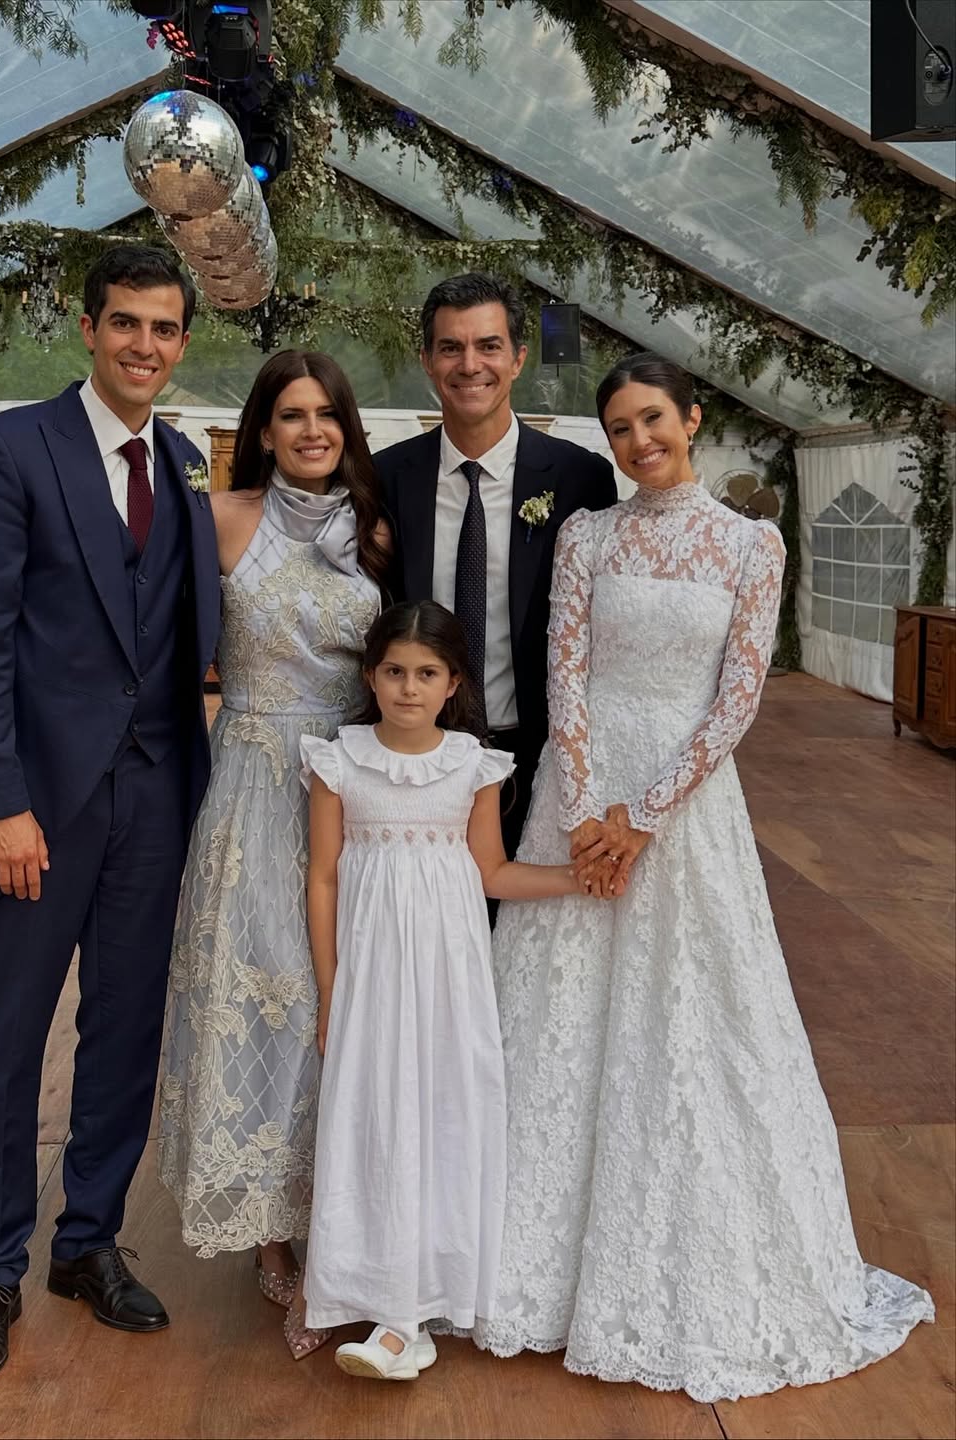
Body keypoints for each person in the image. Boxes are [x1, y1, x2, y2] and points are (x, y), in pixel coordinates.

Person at [468, 352, 934, 1397]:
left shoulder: (750, 544)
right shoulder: (588, 535)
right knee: (555, 1016)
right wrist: (587, 811)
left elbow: (736, 700)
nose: (639, 442)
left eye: (652, 420)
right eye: (619, 429)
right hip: (579, 797)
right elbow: (566, 671)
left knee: (695, 1023)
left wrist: (644, 819)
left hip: (684, 807)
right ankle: (520, 1261)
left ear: (693, 417)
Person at [0, 246, 220, 1384]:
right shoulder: (6, 448)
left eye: (164, 328)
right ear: (87, 329)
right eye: (126, 324)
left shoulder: (189, 465)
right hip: (35, 811)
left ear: (182, 340)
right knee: (8, 1042)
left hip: (158, 798)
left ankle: (86, 1242)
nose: (145, 345)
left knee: (125, 1033)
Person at [158, 350, 388, 1359]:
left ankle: (349, 1215)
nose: (310, 431)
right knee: (271, 993)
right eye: (290, 415)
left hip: (353, 785)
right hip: (252, 780)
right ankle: (273, 1231)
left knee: (352, 1003)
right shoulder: (220, 519)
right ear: (261, 428)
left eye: (326, 414)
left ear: (346, 425)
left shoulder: (378, 530)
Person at [299, 601, 583, 1380]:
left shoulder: (471, 765)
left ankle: (422, 1307)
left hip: (450, 981)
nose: (408, 688)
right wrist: (331, 990)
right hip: (371, 979)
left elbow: (491, 872)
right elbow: (322, 879)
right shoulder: (340, 761)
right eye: (394, 671)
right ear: (370, 676)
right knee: (375, 1117)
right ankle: (383, 1304)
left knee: (443, 1114)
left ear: (455, 682)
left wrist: (574, 880)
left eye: (426, 674)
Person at [374, 273, 616, 859]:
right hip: (415, 761)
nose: (469, 364)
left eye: (488, 346)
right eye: (450, 347)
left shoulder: (581, 479)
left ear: (518, 358)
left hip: (536, 761)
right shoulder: (383, 478)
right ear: (428, 360)